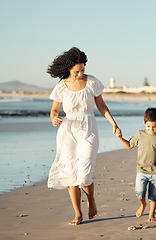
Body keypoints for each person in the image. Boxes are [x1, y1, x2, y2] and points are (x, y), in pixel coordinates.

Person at [47, 47, 120, 225]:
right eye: (77, 71)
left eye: (82, 70)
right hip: (68, 131)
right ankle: (78, 213)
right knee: (71, 173)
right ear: (69, 69)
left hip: (88, 129)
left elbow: (101, 106)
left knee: (85, 174)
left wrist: (114, 123)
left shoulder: (92, 82)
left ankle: (92, 200)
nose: (80, 74)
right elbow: (54, 109)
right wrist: (54, 118)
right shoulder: (61, 86)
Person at [115, 107, 156, 221]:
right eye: (148, 126)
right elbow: (129, 146)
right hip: (141, 170)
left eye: (154, 127)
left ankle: (152, 214)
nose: (151, 129)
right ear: (144, 123)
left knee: (154, 195)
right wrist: (120, 138)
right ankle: (142, 205)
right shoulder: (140, 134)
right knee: (139, 192)